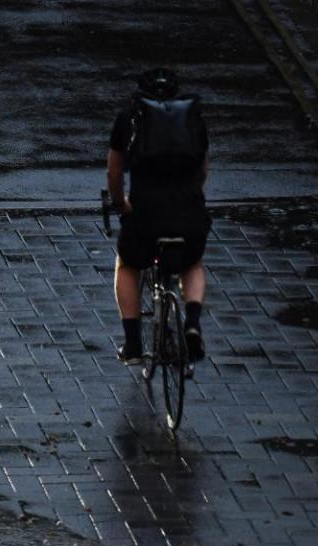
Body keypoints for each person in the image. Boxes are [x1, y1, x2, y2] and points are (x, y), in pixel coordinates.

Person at [107, 68, 211, 364]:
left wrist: (120, 204)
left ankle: (133, 344)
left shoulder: (129, 117)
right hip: (188, 210)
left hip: (145, 214)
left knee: (127, 265)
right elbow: (203, 169)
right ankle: (191, 321)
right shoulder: (193, 118)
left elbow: (114, 171)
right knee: (192, 262)